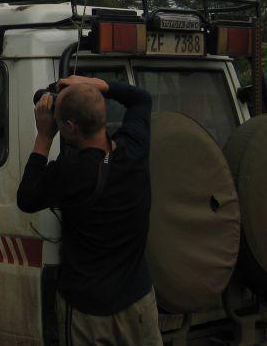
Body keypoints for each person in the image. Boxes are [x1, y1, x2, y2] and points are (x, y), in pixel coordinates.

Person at [16, 75, 162, 346]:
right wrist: (96, 85)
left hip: (88, 309)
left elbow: (26, 198)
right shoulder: (134, 149)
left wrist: (44, 137)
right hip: (138, 301)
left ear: (69, 127)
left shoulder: (68, 172)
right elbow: (141, 98)